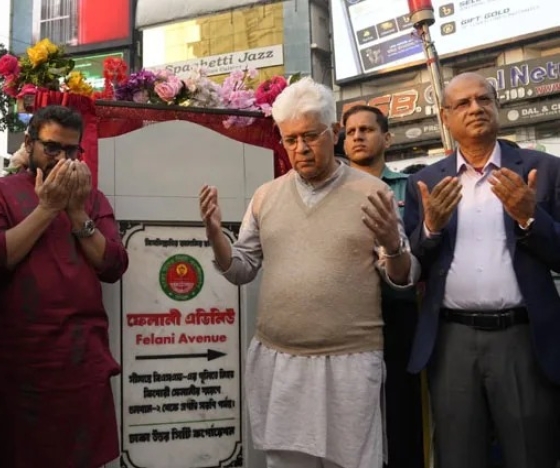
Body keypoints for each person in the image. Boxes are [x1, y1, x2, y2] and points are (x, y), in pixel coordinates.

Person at [199, 77, 418, 468]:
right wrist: (217, 237)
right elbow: (241, 269)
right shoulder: (266, 196)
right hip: (279, 361)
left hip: (349, 363)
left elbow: (400, 277)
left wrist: (394, 244)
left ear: (333, 133)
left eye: (311, 136)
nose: (300, 149)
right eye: (290, 139)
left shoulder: (372, 192)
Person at [404, 72, 560, 468]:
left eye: (483, 99)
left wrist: (530, 218)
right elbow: (413, 265)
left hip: (523, 339)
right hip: (451, 339)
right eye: (463, 103)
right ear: (445, 117)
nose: (475, 108)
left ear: (497, 106)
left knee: (531, 453)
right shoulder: (425, 183)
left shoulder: (544, 171)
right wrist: (430, 229)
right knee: (458, 455)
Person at [0, 105, 129, 468]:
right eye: (52, 148)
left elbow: (113, 265)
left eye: (72, 151)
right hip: (19, 369)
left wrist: (75, 212)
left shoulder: (91, 198)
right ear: (30, 143)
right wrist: (48, 208)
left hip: (81, 362)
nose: (62, 159)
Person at [342, 104, 424, 468]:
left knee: (403, 414)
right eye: (350, 132)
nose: (358, 136)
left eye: (367, 129)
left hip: (401, 314)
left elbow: (423, 248)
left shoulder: (410, 188)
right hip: (347, 318)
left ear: (387, 137)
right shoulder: (333, 191)